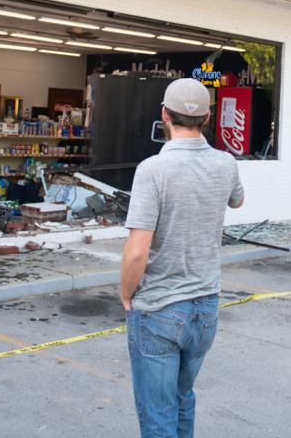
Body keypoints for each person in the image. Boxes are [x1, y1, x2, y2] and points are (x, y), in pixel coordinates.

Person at [120, 78, 244, 438]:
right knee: (182, 397)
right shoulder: (226, 163)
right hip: (206, 306)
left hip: (160, 307)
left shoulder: (153, 170)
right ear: (208, 116)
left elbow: (137, 250)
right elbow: (237, 201)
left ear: (164, 115)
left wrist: (127, 293)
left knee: (158, 413)